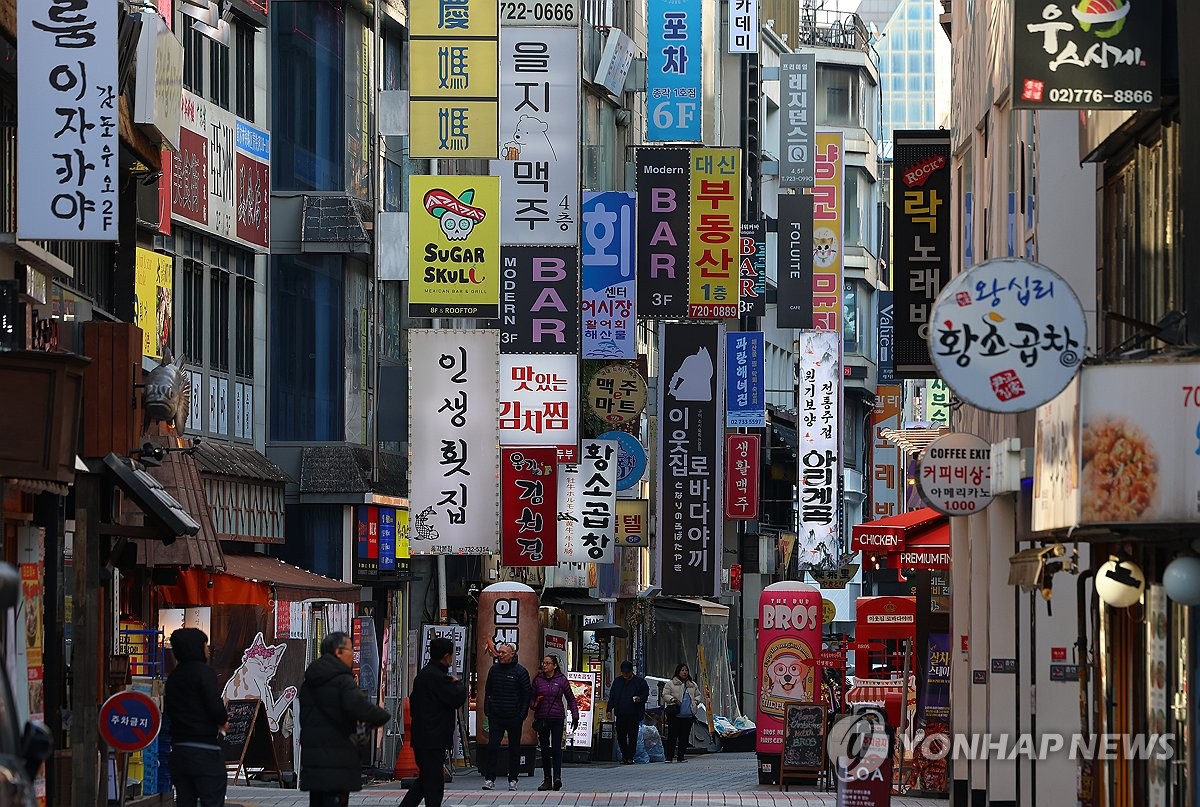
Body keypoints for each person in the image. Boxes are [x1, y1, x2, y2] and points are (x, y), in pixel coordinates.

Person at [298, 632, 391, 807]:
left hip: (314, 761)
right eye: (351, 650)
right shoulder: (343, 681)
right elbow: (361, 708)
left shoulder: (309, 682)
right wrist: (382, 716)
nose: (353, 655)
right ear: (338, 652)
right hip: (337, 760)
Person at [164, 628, 228, 807]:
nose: (208, 650)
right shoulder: (203, 673)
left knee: (185, 801)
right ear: (196, 648)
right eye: (205, 645)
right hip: (204, 750)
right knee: (212, 800)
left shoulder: (174, 678)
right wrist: (223, 721)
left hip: (179, 751)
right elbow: (215, 707)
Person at [399, 637, 467, 807]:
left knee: (425, 781)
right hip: (433, 739)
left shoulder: (423, 675)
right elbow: (456, 698)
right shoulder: (438, 677)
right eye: (451, 655)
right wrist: (459, 685)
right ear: (446, 656)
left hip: (423, 737)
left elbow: (413, 703)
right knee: (434, 784)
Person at [481, 642, 532, 791]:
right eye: (499, 652)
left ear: (512, 655)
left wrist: (521, 714)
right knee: (492, 746)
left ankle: (513, 779)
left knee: (514, 748)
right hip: (496, 715)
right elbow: (488, 690)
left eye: (504, 653)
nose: (500, 655)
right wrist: (487, 708)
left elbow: (526, 694)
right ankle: (490, 779)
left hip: (514, 716)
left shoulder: (520, 672)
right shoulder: (494, 670)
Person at [529, 654, 579, 791]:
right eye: (543, 663)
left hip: (557, 717)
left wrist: (575, 715)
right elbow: (531, 700)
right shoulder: (538, 680)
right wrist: (535, 704)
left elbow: (571, 699)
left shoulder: (561, 680)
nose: (544, 665)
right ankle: (547, 779)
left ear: (554, 666)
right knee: (544, 750)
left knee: (557, 749)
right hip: (542, 718)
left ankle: (557, 777)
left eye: (548, 663)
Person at [605, 660, 649, 765]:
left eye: (627, 672)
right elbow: (612, 696)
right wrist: (609, 709)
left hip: (634, 713)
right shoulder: (617, 682)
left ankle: (630, 756)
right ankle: (625, 755)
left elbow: (645, 693)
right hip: (620, 713)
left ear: (631, 671)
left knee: (632, 736)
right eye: (623, 672)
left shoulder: (639, 682)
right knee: (621, 736)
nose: (625, 674)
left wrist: (640, 698)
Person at [661, 662, 705, 763]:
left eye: (686, 670)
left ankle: (681, 756)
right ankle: (669, 757)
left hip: (688, 715)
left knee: (684, 737)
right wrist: (673, 699)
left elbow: (698, 695)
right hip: (675, 714)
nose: (684, 672)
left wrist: (695, 701)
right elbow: (665, 694)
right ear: (678, 672)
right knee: (672, 736)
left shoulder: (692, 684)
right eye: (682, 670)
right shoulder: (671, 683)